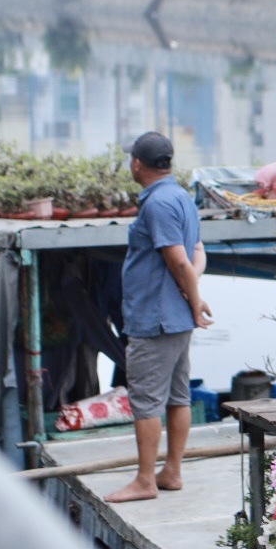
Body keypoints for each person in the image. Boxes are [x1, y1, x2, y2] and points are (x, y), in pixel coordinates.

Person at [105, 131, 211, 503]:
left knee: (147, 401)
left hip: (156, 319)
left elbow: (178, 258)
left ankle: (145, 480)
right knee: (178, 397)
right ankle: (172, 472)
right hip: (176, 318)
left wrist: (194, 298)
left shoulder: (157, 204)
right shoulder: (181, 196)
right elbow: (198, 253)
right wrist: (191, 292)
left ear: (137, 164)